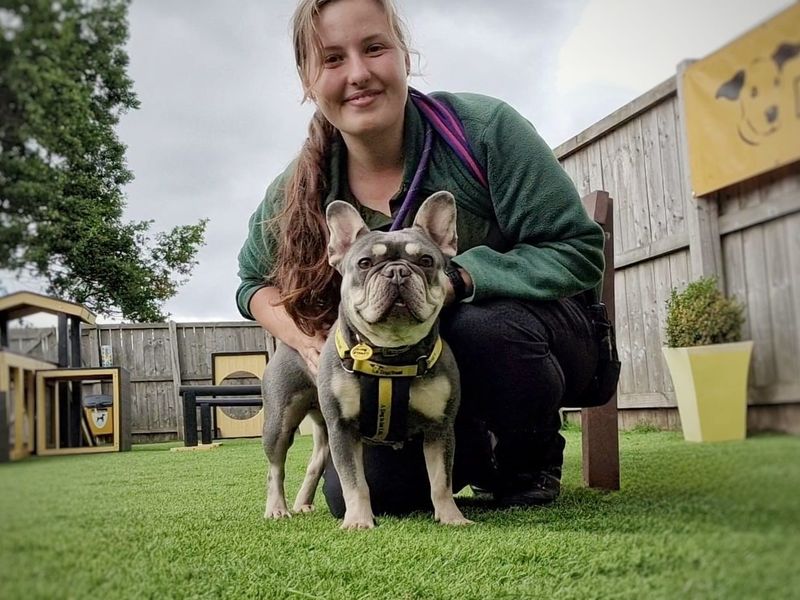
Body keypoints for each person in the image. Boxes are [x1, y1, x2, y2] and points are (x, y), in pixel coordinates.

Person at [236, 0, 605, 516]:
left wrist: (462, 277)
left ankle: (528, 456)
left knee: (477, 326)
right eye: (333, 59)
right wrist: (304, 342)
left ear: (404, 54)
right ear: (307, 79)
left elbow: (579, 249)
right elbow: (252, 282)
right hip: (396, 371)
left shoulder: (483, 130)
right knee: (363, 497)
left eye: (374, 48)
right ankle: (470, 451)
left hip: (534, 340)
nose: (359, 74)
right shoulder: (300, 185)